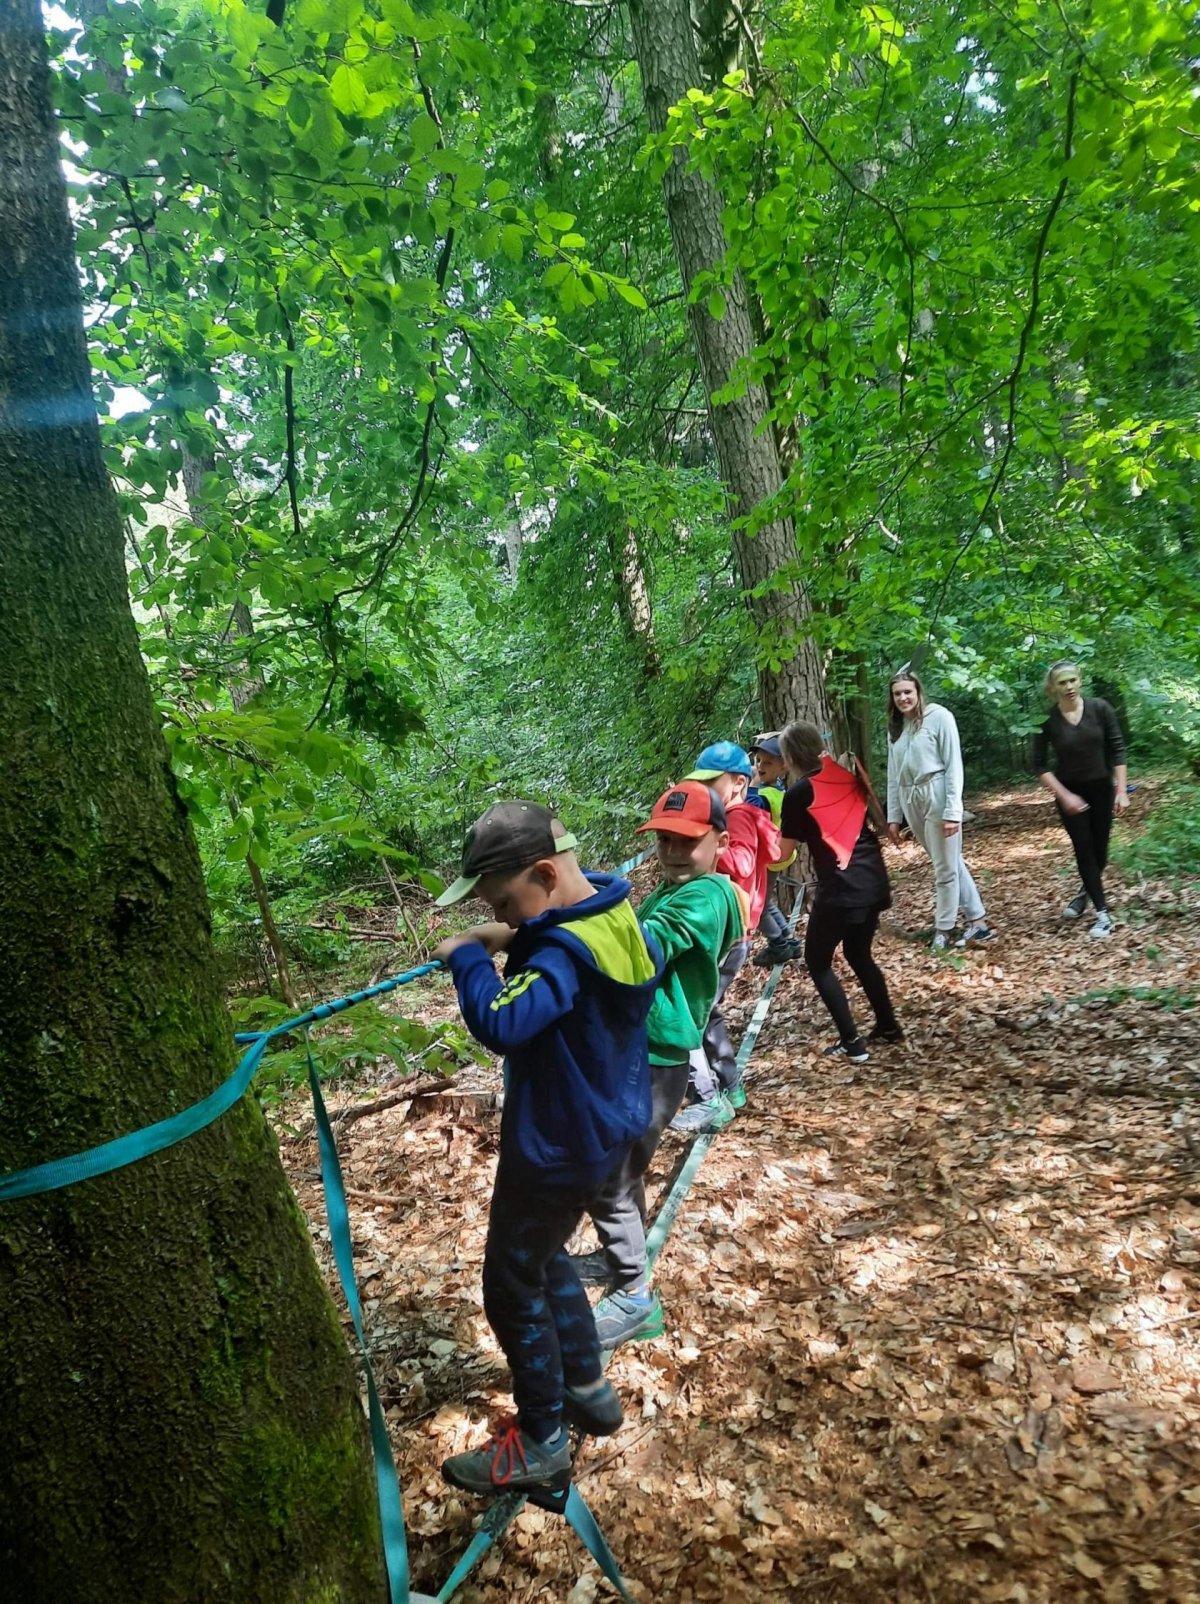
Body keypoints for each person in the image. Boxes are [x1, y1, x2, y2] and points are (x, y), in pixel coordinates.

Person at [431, 801, 663, 1495]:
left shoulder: (560, 951)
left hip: (558, 1142)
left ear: (543, 873)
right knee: (544, 1254)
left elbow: (505, 1021)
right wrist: (515, 931)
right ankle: (587, 1388)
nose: (501, 916)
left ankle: (541, 1441)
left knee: (509, 1282)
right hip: (605, 1129)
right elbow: (561, 939)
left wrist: (469, 958)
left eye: (504, 903)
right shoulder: (612, 913)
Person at [578, 781, 748, 1349]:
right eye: (664, 840)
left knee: (610, 1175)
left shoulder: (706, 897)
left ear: (719, 840)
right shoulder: (676, 888)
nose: (673, 851)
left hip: (656, 1060)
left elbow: (648, 944)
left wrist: (568, 914)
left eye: (687, 840)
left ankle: (634, 1297)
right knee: (622, 1167)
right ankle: (618, 1257)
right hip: (638, 1051)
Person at [670, 740, 779, 1130]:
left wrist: (708, 847)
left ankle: (709, 1098)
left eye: (710, 782)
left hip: (725, 934)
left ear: (738, 782)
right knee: (706, 1011)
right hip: (729, 933)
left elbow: (744, 862)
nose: (703, 789)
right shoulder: (738, 816)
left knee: (687, 1013)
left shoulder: (738, 817)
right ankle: (731, 1088)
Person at [778, 723, 903, 1063]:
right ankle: (888, 1027)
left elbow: (782, 853)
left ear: (790, 757)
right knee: (859, 953)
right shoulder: (842, 777)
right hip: (872, 878)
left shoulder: (799, 793)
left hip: (841, 887)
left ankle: (852, 1043)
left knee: (817, 961)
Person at [885, 670, 994, 952]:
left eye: (907, 692)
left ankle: (943, 929)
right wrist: (894, 816)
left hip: (937, 792)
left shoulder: (939, 717)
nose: (903, 698)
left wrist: (952, 811)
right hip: (911, 798)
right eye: (897, 694)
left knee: (944, 868)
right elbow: (893, 775)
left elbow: (953, 765)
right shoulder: (895, 728)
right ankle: (979, 922)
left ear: (918, 692)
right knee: (948, 861)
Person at [1032, 660, 1128, 939]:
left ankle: (1084, 894)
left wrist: (1121, 790)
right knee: (1084, 850)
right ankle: (1103, 915)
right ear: (1052, 688)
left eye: (1072, 680)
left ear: (1080, 681)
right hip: (1070, 794)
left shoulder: (1100, 708)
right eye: (1062, 683)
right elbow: (1038, 764)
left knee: (1100, 852)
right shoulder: (1047, 720)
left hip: (1101, 790)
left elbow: (1118, 749)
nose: (1069, 687)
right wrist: (1065, 796)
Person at [748, 733, 802, 967]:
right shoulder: (779, 790)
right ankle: (789, 941)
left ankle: (778, 945)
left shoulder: (764, 796)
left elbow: (750, 811)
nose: (760, 766)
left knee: (756, 905)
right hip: (778, 856)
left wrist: (751, 786)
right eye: (758, 761)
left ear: (783, 767)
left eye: (768, 763)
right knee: (766, 900)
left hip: (768, 858)